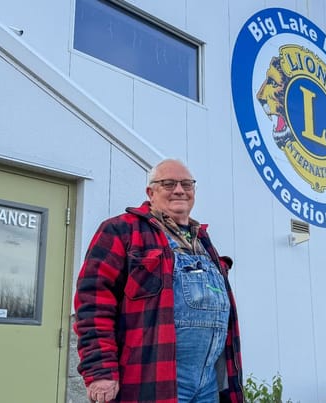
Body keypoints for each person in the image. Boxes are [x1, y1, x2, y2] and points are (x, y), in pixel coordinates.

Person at [73, 159, 243, 403]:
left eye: (186, 184)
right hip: (153, 380)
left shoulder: (204, 242)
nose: (179, 190)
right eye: (168, 183)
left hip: (208, 384)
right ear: (150, 192)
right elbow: (92, 304)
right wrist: (100, 371)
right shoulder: (121, 231)